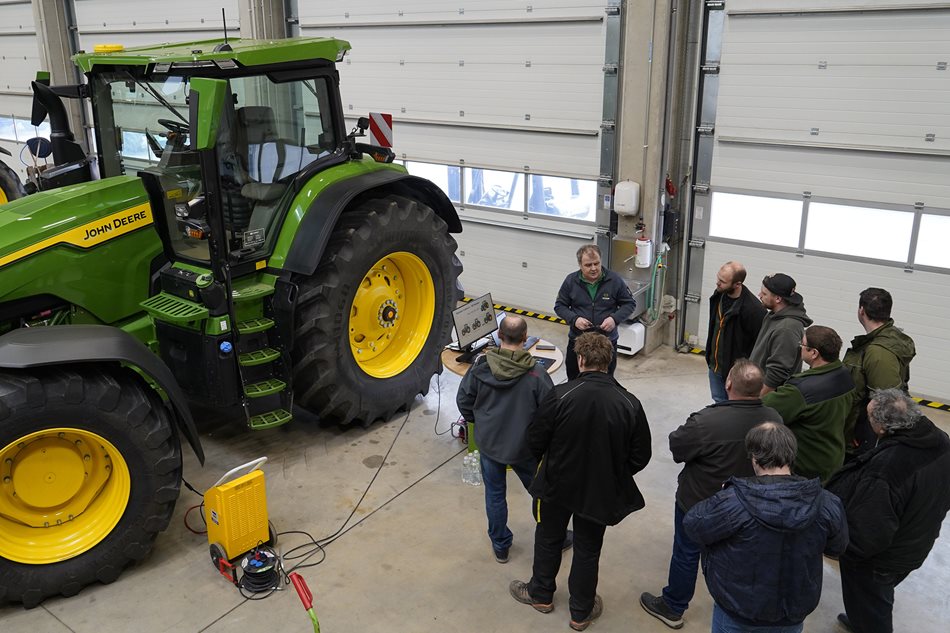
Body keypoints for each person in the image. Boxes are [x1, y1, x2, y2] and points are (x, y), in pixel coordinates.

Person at [509, 333, 651, 631]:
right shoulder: (629, 403)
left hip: (556, 485)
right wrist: (612, 472)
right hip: (599, 492)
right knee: (588, 549)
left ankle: (541, 595)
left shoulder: (560, 395)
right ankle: (580, 612)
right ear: (609, 362)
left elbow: (535, 440)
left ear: (580, 360)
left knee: (548, 539)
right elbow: (641, 456)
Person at [640, 360, 782, 629]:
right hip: (747, 504)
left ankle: (673, 606)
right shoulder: (774, 419)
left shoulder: (706, 421)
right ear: (760, 388)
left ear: (728, 384)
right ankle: (735, 606)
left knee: (686, 552)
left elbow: (677, 448)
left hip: (699, 502)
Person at [684, 422, 849, 633]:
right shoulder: (827, 502)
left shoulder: (733, 501)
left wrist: (721, 496)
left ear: (754, 458)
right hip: (792, 612)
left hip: (739, 610)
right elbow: (837, 547)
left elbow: (693, 526)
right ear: (792, 455)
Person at [826, 389, 950, 633]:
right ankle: (861, 618)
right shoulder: (941, 440)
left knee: (874, 606)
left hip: (882, 559)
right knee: (872, 600)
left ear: (882, 427)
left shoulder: (887, 468)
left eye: (870, 417)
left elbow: (867, 534)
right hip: (917, 538)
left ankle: (868, 623)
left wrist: (839, 546)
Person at [456, 315, 556, 564]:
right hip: (524, 448)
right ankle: (554, 536)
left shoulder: (480, 367)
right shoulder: (537, 374)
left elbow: (464, 401)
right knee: (541, 492)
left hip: (489, 444)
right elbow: (550, 414)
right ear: (525, 338)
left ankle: (500, 545)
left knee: (495, 494)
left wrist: (480, 423)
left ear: (500, 336)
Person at [762, 325, 856, 483]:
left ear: (814, 353)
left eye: (802, 345)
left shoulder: (800, 390)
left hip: (807, 467)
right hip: (833, 457)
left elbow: (763, 409)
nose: (800, 348)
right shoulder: (845, 375)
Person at [842, 288, 916, 453]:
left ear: (861, 310)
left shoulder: (879, 353)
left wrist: (870, 438)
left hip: (866, 434)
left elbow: (886, 403)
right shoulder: (889, 338)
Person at [554, 244, 637, 380]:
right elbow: (559, 306)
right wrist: (575, 319)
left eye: (596, 263)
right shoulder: (571, 281)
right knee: (574, 379)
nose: (593, 268)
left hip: (607, 342)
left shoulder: (614, 280)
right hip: (578, 342)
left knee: (605, 381)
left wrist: (614, 319)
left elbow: (629, 303)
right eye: (588, 265)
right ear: (580, 265)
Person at [705, 261, 766, 403]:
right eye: (718, 278)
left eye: (722, 281)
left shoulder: (754, 310)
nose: (717, 283)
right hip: (715, 366)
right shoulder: (718, 296)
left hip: (736, 373)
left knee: (735, 406)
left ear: (737, 284)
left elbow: (757, 346)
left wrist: (742, 371)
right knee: (718, 401)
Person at [749, 273, 813, 396]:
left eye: (764, 293)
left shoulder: (787, 328)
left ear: (778, 299)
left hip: (766, 398)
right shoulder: (773, 314)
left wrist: (756, 400)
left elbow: (777, 372)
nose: (759, 295)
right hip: (755, 387)